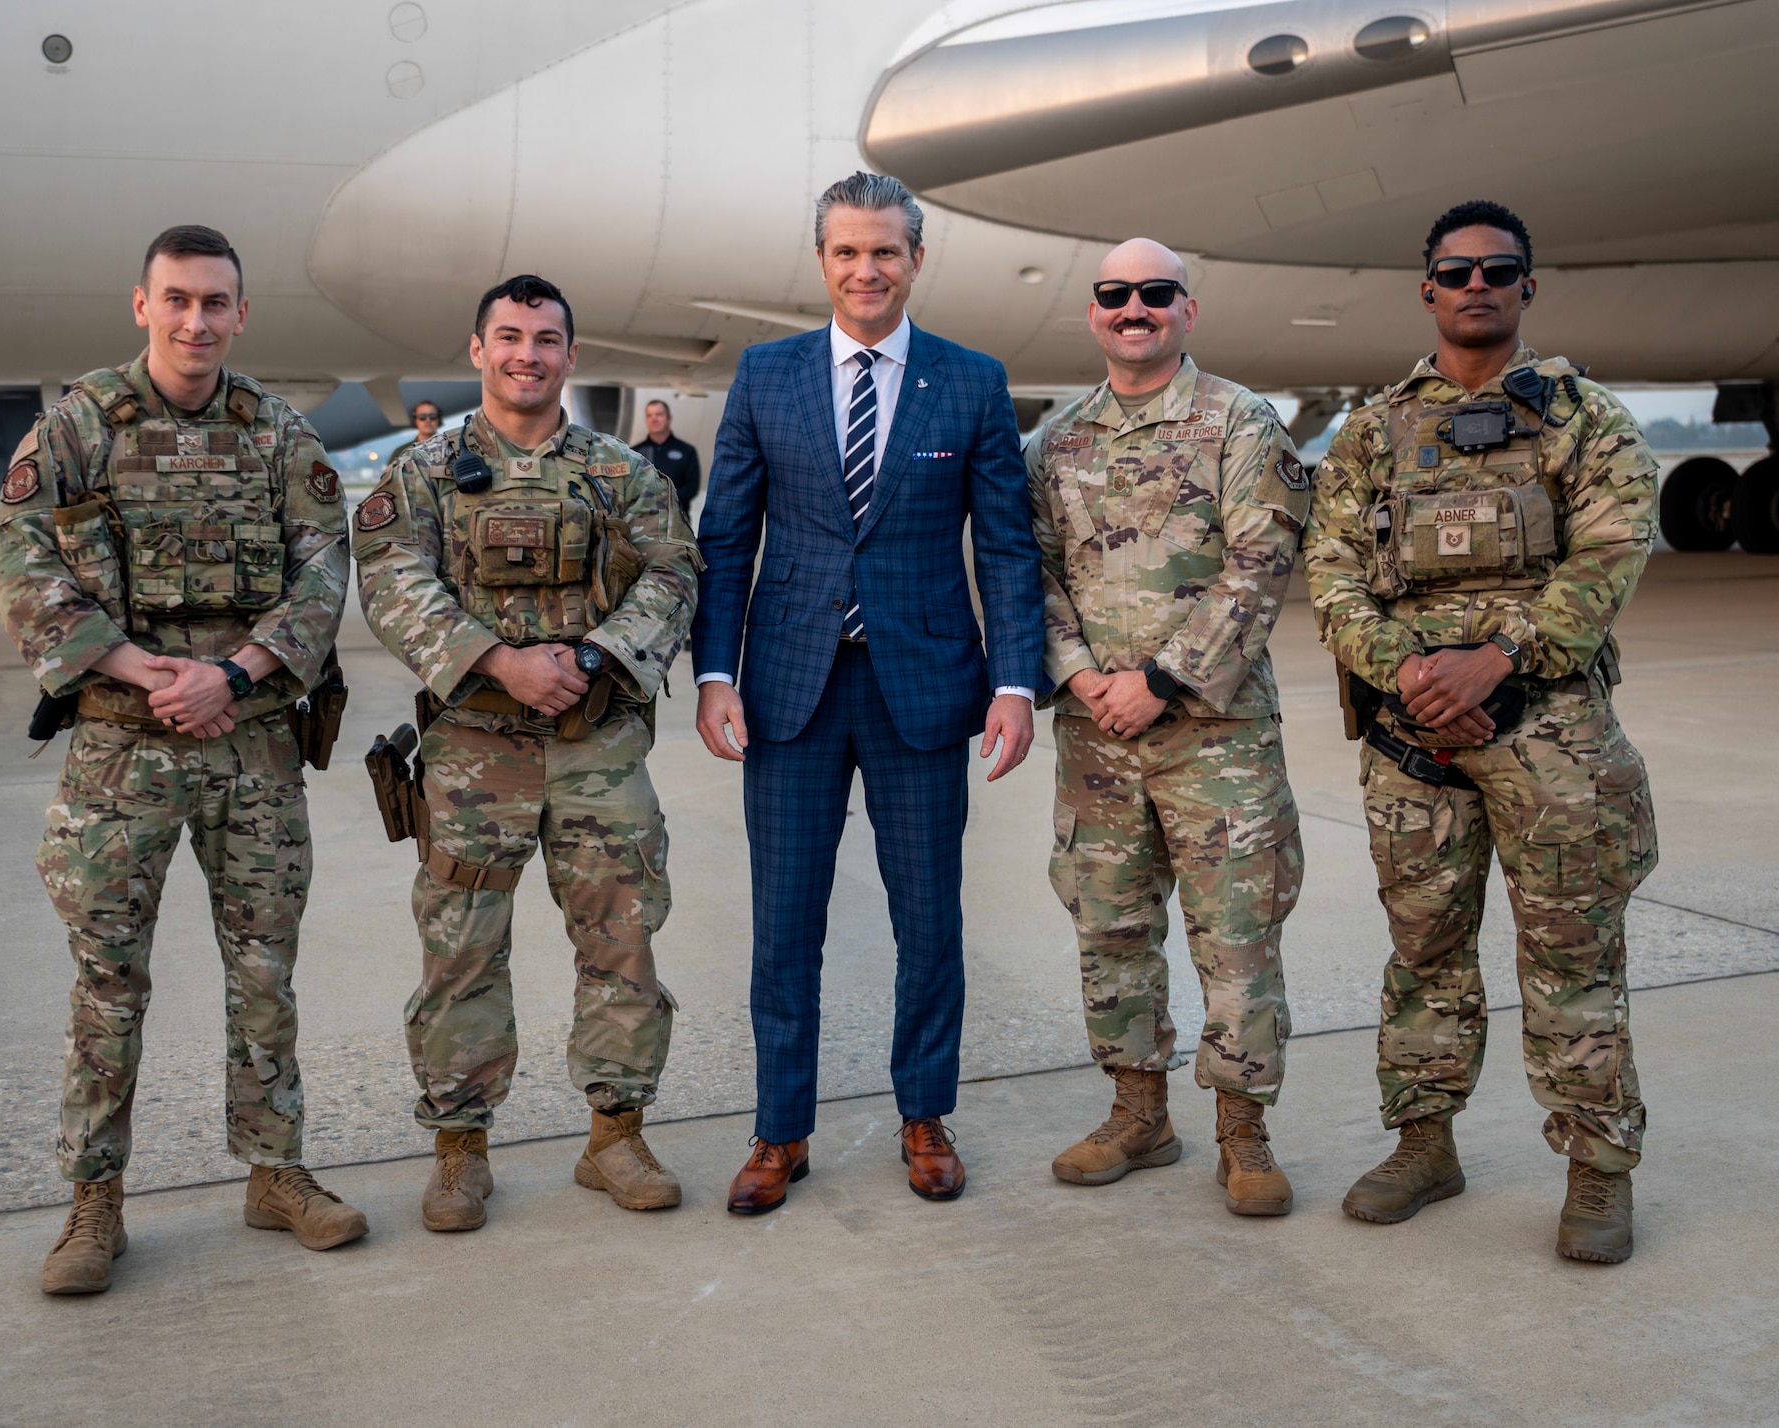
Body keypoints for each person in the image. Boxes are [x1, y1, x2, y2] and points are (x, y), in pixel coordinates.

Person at [0, 224, 367, 1296]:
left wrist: (234, 675)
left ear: (241, 314)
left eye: (216, 303)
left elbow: (319, 576)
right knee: (108, 983)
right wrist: (142, 668)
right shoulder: (73, 429)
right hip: (121, 749)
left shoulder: (276, 435)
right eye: (177, 300)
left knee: (264, 974)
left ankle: (275, 1171)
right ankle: (93, 1202)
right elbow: (23, 569)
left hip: (248, 743)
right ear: (141, 304)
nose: (196, 321)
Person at [1303, 200, 1659, 1263]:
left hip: (1550, 736)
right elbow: (1326, 570)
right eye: (1454, 271)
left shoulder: (1584, 418)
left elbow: (1608, 560)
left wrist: (1496, 658)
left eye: (1496, 271)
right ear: (1426, 289)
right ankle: (1423, 1144)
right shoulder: (1372, 430)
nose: (1474, 285)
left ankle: (1596, 1171)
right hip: (1414, 743)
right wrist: (1404, 672)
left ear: (1524, 288)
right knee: (1423, 952)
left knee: (1571, 956)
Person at [692, 172, 1044, 1213]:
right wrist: (715, 671)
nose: (866, 270)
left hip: (924, 693)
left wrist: (1015, 684)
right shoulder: (766, 376)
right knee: (782, 925)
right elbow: (726, 539)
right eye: (847, 252)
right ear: (822, 262)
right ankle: (778, 1131)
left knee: (929, 921)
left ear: (915, 259)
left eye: (885, 251)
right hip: (789, 691)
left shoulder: (969, 381)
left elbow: (1008, 551)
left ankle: (924, 1115)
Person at [354, 274, 701, 1229]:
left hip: (597, 748)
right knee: (461, 951)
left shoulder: (620, 473)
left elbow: (674, 571)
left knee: (621, 943)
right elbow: (389, 578)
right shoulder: (423, 472)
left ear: (570, 357)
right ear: (477, 351)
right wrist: (499, 663)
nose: (527, 355)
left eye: (546, 340)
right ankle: (461, 1149)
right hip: (472, 756)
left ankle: (616, 1136)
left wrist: (592, 656)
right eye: (508, 337)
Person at [1029, 239, 1309, 1213]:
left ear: (1187, 309)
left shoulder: (1238, 422)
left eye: (1154, 293)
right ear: (1095, 313)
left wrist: (1160, 679)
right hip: (1094, 738)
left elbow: (1260, 564)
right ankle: (1136, 1115)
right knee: (1108, 927)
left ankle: (1242, 1132)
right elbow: (1029, 577)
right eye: (1114, 295)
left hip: (1214, 734)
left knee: (1235, 937)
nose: (1132, 307)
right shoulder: (1054, 442)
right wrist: (1078, 674)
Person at [632, 399, 702, 513]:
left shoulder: (686, 451)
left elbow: (691, 488)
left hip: (677, 519)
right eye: (649, 415)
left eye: (659, 414)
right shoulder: (635, 453)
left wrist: (666, 500)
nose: (654, 419)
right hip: (644, 521)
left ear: (669, 418)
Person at [388, 399, 443, 464]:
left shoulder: (450, 445)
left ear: (438, 419)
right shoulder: (401, 453)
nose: (428, 420)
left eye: (432, 416)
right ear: (415, 420)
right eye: (422, 417)